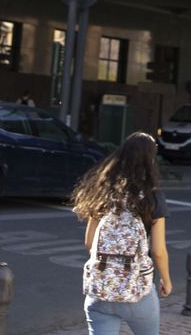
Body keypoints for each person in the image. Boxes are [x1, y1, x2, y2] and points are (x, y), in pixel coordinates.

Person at [71, 132, 172, 335]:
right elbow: (158, 250)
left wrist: (111, 266)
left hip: (101, 290)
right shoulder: (152, 197)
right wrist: (166, 281)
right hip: (137, 291)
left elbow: (90, 243)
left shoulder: (103, 192)